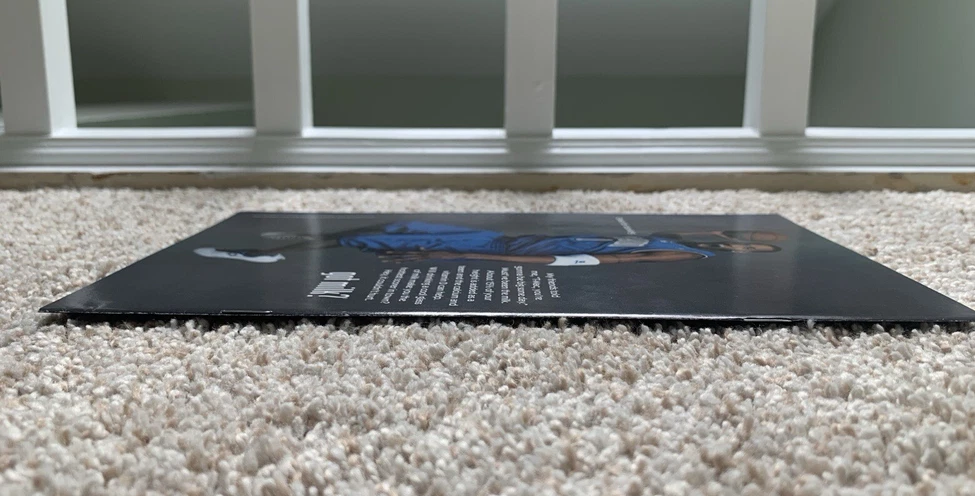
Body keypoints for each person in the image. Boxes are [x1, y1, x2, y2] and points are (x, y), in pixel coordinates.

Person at [194, 221, 783, 266]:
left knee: (386, 241)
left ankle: (276, 252)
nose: (743, 244)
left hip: (517, 250)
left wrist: (463, 257)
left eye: (751, 248)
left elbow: (582, 259)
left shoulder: (683, 252)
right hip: (517, 236)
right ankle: (300, 241)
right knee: (399, 227)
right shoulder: (690, 238)